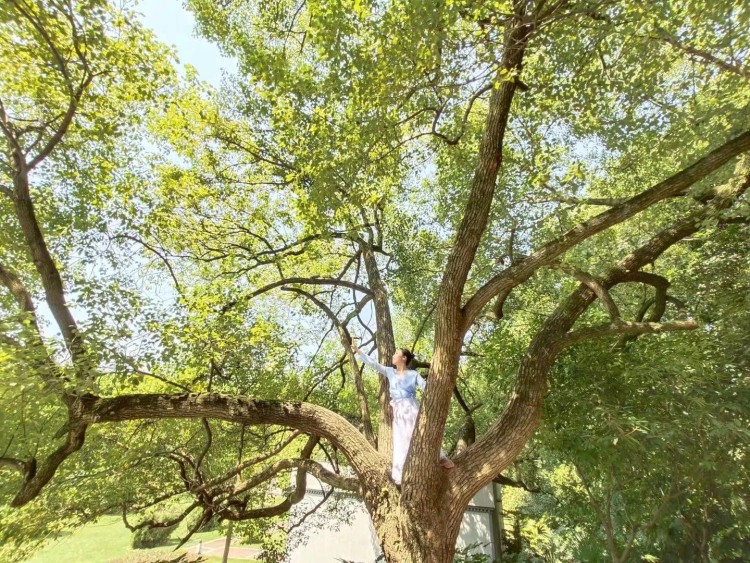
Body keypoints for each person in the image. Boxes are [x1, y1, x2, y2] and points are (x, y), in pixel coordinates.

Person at [351, 340, 455, 485]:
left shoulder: (413, 374)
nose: (393, 356)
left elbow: (427, 388)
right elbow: (374, 364)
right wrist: (358, 351)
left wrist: (439, 384)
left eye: (396, 354)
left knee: (421, 433)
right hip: (398, 411)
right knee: (400, 439)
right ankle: (400, 472)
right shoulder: (390, 372)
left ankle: (440, 457)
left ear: (404, 358)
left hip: (411, 407)